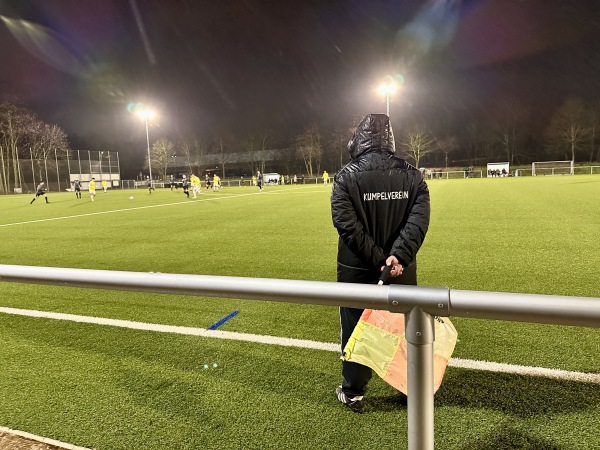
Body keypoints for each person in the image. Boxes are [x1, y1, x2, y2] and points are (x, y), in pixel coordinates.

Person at [330, 113, 430, 413]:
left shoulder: (346, 177)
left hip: (357, 270)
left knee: (356, 329)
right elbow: (418, 222)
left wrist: (378, 260)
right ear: (390, 140)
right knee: (404, 329)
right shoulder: (413, 176)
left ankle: (354, 392)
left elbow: (346, 225)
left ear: (358, 139)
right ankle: (411, 390)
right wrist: (396, 258)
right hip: (401, 271)